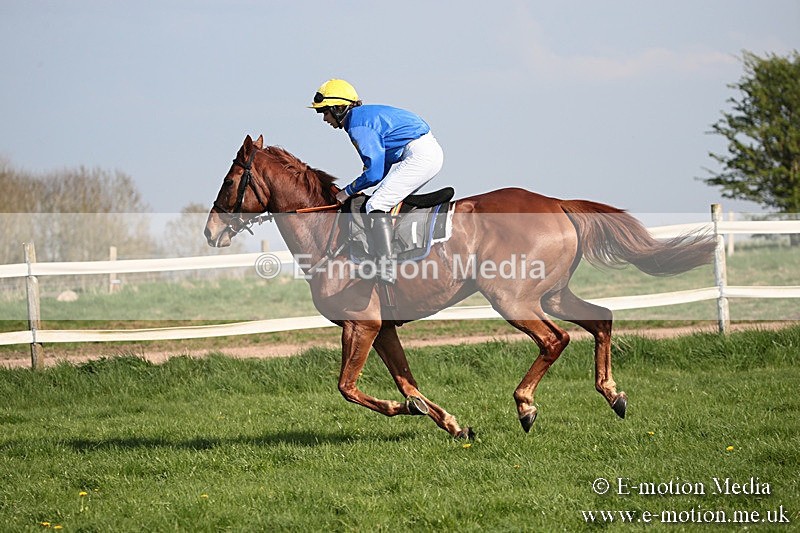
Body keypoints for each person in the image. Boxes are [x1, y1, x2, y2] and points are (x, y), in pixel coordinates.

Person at [310, 79, 444, 285]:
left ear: (338, 108)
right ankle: (398, 251)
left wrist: (347, 191)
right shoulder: (362, 118)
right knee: (384, 199)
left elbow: (373, 174)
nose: (324, 118)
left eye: (325, 112)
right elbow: (379, 171)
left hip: (420, 155)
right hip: (424, 152)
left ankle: (386, 266)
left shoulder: (357, 125)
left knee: (376, 204)